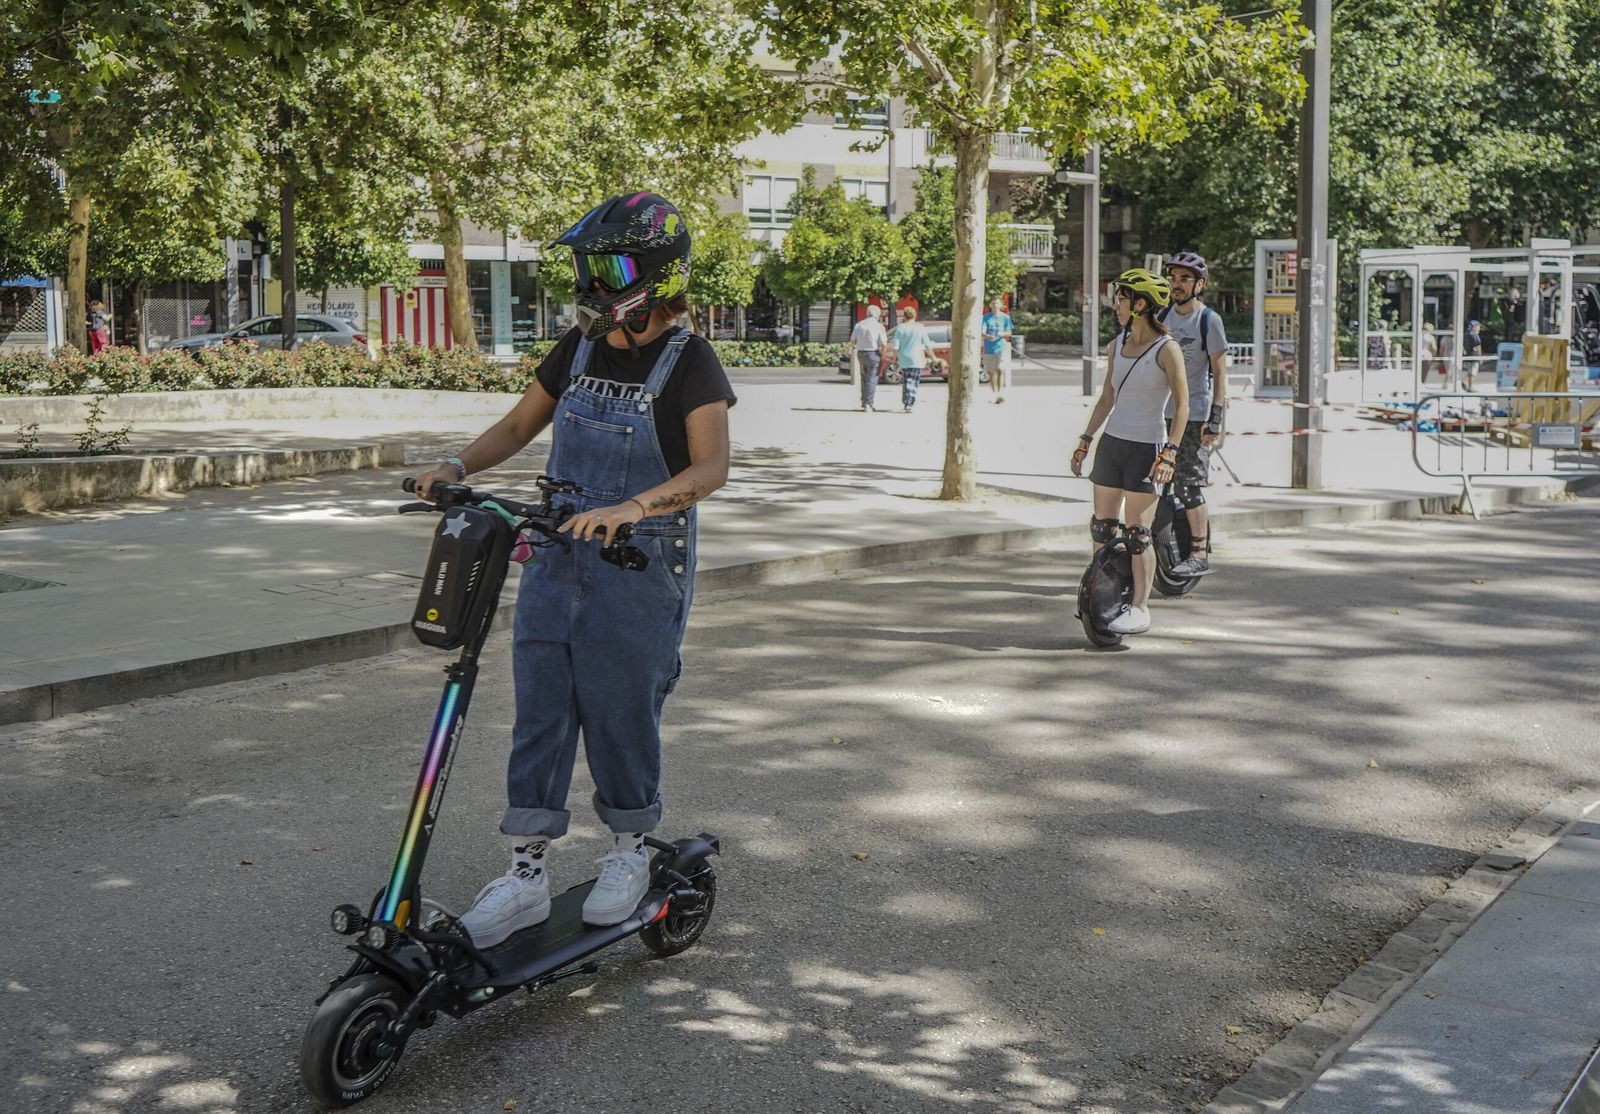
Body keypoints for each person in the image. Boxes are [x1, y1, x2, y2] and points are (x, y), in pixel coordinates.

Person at [410, 192, 734, 945]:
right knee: (542, 715)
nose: (592, 281)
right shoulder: (579, 347)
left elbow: (711, 468)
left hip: (636, 562)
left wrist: (635, 507)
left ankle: (628, 856)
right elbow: (523, 424)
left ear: (652, 276)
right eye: (588, 266)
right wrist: (454, 464)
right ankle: (524, 873)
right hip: (557, 555)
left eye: (608, 266)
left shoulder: (692, 362)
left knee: (621, 715)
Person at [1070, 268, 1188, 635]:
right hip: (1113, 444)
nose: (1115, 304)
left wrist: (1169, 453)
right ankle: (1101, 597)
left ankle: (1139, 607)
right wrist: (1086, 439)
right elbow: (1108, 397)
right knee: (1102, 528)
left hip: (1147, 447)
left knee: (1138, 534)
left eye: (1121, 298)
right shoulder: (1115, 345)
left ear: (1141, 304)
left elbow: (1182, 405)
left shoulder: (1167, 350)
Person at [1156, 252, 1227, 575]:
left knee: (1189, 484)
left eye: (1185, 279)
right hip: (1161, 414)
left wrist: (1216, 418)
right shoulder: (1163, 316)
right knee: (1160, 484)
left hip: (1195, 414)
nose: (1177, 285)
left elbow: (1220, 373)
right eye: (1173, 278)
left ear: (1199, 284)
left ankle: (1199, 551)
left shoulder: (1207, 319)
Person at [890, 305, 935, 413]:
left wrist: (894, 359)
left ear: (904, 316)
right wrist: (933, 357)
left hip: (904, 358)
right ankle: (910, 402)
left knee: (906, 380)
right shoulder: (920, 327)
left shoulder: (900, 328)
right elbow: (927, 345)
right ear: (914, 316)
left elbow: (896, 346)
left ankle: (906, 401)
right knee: (913, 381)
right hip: (917, 358)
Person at [850, 304, 889, 411]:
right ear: (877, 315)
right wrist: (883, 354)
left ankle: (864, 401)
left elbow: (853, 340)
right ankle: (869, 403)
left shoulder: (859, 325)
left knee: (864, 377)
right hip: (873, 354)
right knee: (872, 378)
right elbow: (884, 343)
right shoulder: (879, 326)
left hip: (861, 353)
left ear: (867, 313)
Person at [981, 294, 1014, 403]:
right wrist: (987, 336)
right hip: (989, 348)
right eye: (993, 303)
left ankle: (1000, 393)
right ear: (990, 305)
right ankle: (994, 393)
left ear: (1001, 305)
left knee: (1000, 369)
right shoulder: (986, 317)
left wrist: (1002, 334)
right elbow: (982, 331)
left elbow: (1009, 332)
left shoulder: (1005, 317)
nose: (995, 305)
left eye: (997, 303)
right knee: (991, 372)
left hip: (1001, 347)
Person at [1463, 319, 1484, 390]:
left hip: (1468, 356)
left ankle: (1466, 382)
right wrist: (1480, 357)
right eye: (1478, 326)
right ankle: (1470, 387)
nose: (1480, 328)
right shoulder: (1475, 336)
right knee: (1473, 373)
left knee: (1470, 371)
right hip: (1475, 356)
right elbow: (1478, 347)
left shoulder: (1466, 335)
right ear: (1474, 327)